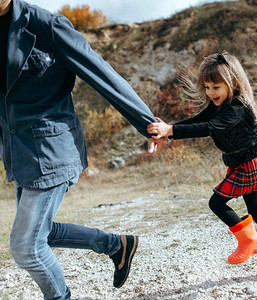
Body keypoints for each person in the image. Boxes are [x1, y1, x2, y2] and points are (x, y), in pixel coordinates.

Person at [0, 0, 163, 298]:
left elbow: (101, 73)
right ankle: (116, 245)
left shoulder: (46, 26)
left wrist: (147, 122)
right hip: (18, 152)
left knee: (26, 248)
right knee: (40, 231)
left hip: (51, 149)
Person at [148, 51, 257, 278]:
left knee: (217, 203)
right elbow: (200, 119)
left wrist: (170, 130)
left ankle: (251, 242)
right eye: (207, 87)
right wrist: (169, 130)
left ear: (232, 83)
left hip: (251, 161)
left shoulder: (237, 106)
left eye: (215, 87)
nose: (210, 93)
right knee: (256, 211)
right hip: (243, 161)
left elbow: (210, 128)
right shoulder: (219, 104)